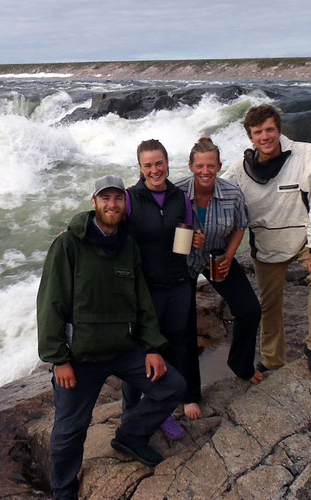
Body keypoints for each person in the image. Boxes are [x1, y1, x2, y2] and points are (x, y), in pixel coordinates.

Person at [37, 174, 186, 500]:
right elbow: (50, 303)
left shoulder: (127, 245)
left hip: (123, 349)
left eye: (118, 198)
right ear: (94, 203)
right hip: (80, 357)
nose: (112, 204)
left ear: (124, 203)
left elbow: (142, 300)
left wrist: (152, 347)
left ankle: (131, 435)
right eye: (105, 198)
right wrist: (58, 359)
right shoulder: (69, 244)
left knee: (173, 386)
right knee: (69, 429)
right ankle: (63, 489)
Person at [221, 104, 311, 376]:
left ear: (279, 130)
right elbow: (213, 192)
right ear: (250, 137)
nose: (265, 137)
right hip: (267, 243)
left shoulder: (306, 154)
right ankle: (273, 359)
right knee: (269, 305)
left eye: (269, 130)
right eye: (258, 132)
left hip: (305, 240)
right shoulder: (238, 170)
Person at [123, 139, 202, 430]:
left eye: (159, 163)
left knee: (180, 342)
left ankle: (183, 397)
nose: (154, 170)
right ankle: (135, 411)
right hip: (145, 289)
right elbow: (106, 226)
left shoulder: (180, 198)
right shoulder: (129, 199)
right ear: (140, 168)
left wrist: (196, 240)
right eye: (148, 165)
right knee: (143, 350)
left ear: (167, 163)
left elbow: (187, 240)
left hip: (178, 283)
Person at [176, 137, 264, 385]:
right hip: (184, 261)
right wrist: (188, 238)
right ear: (191, 166)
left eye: (211, 166)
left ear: (219, 166)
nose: (205, 171)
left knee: (250, 310)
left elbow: (239, 226)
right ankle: (188, 389)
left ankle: (241, 365)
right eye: (200, 166)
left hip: (217, 256)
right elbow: (159, 225)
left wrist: (229, 255)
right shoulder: (176, 192)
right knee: (184, 324)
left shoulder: (231, 193)